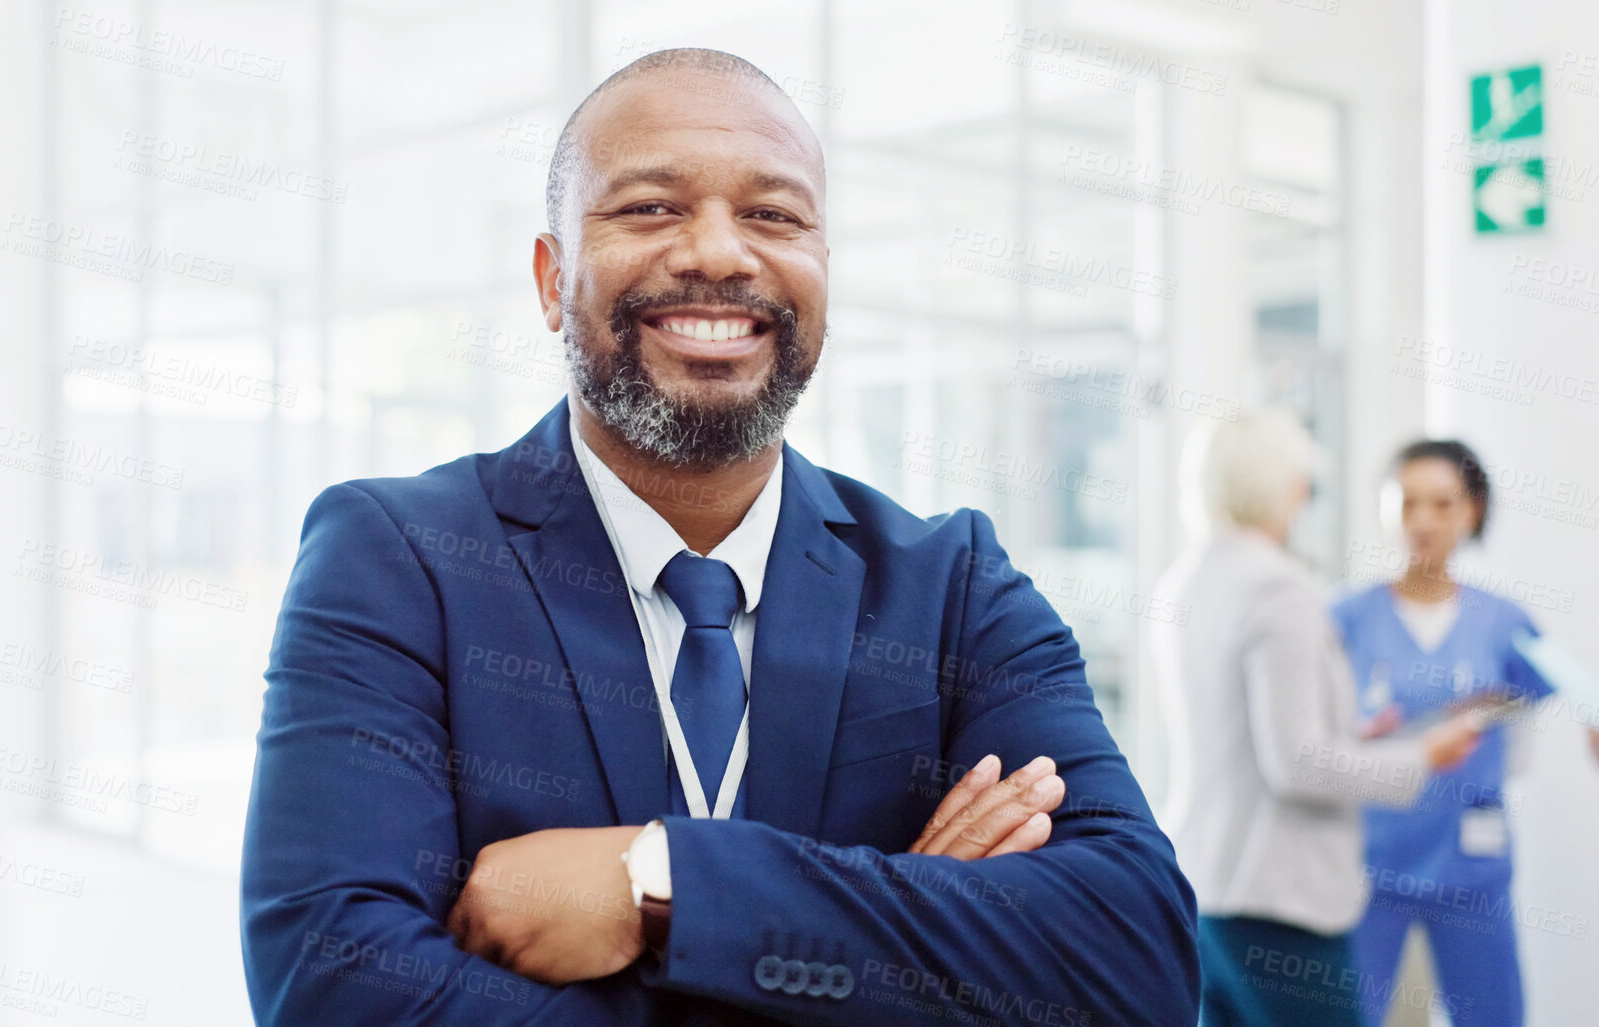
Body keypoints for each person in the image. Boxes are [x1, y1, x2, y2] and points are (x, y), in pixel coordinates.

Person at [239, 48, 1198, 1025]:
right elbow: (335, 989)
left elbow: (1135, 962)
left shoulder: (955, 585)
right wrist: (898, 932)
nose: (719, 253)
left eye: (774, 215)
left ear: (822, 269)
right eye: (651, 206)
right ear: (550, 277)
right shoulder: (399, 557)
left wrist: (663, 882)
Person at [1152, 411, 1486, 1027]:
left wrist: (1353, 737)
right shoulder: (1282, 591)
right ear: (1290, 488)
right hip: (1280, 899)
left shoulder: (1188, 581)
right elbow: (1297, 766)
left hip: (1202, 885)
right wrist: (1422, 755)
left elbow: (1242, 734)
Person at [1331, 440, 1561, 1027]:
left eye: (1441, 503)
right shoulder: (1345, 618)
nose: (1423, 520)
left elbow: (1535, 730)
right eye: (1406, 503)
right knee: (1345, 1012)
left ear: (1471, 511)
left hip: (1471, 864)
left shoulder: (1505, 623)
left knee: (1492, 1014)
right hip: (1370, 862)